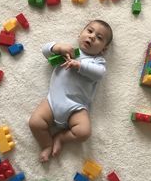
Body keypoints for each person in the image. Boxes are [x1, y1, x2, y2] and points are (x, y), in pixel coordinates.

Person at [29, 20, 113, 162]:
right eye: (90, 31)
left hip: (76, 107)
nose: (92, 37)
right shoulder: (69, 52)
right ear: (79, 34)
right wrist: (57, 47)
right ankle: (47, 144)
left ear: (103, 49)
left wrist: (79, 65)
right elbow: (45, 50)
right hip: (52, 101)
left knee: (84, 133)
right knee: (35, 123)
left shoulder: (97, 61)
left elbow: (99, 74)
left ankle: (61, 137)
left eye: (99, 38)